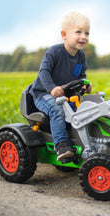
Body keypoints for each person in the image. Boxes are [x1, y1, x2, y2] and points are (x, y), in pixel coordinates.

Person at [30, 11, 92, 161]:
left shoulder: (81, 56)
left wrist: (86, 84)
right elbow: (44, 72)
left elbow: (81, 76)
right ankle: (62, 145)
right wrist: (52, 88)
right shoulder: (54, 52)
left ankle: (85, 141)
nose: (83, 36)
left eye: (87, 33)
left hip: (66, 94)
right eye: (78, 32)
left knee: (88, 107)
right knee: (57, 110)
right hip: (44, 94)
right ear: (64, 35)